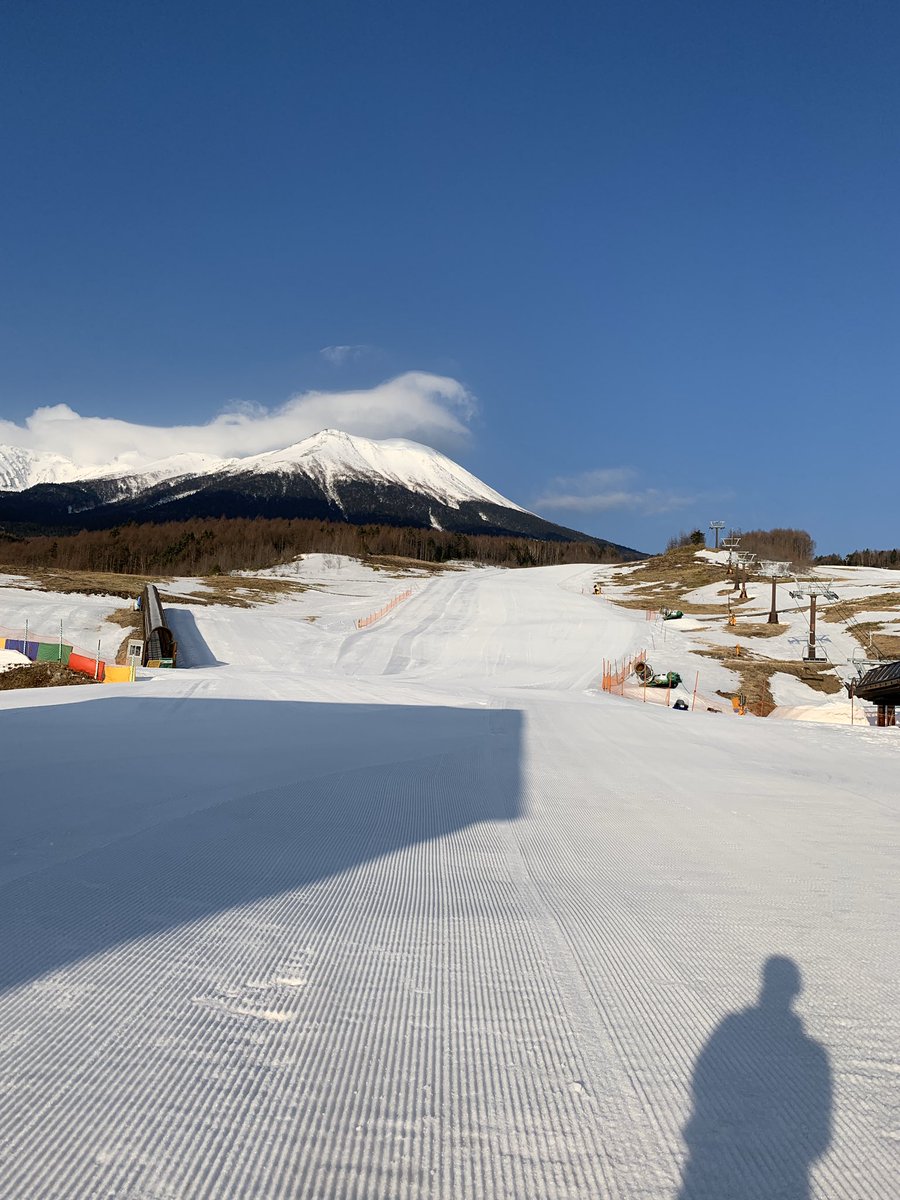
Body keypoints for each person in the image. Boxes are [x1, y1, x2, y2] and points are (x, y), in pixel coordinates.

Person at [678, 956, 831, 1200]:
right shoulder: (813, 1054)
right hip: (782, 1175)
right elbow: (819, 1131)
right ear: (795, 991)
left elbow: (703, 1080)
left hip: (720, 1165)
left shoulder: (732, 1028)